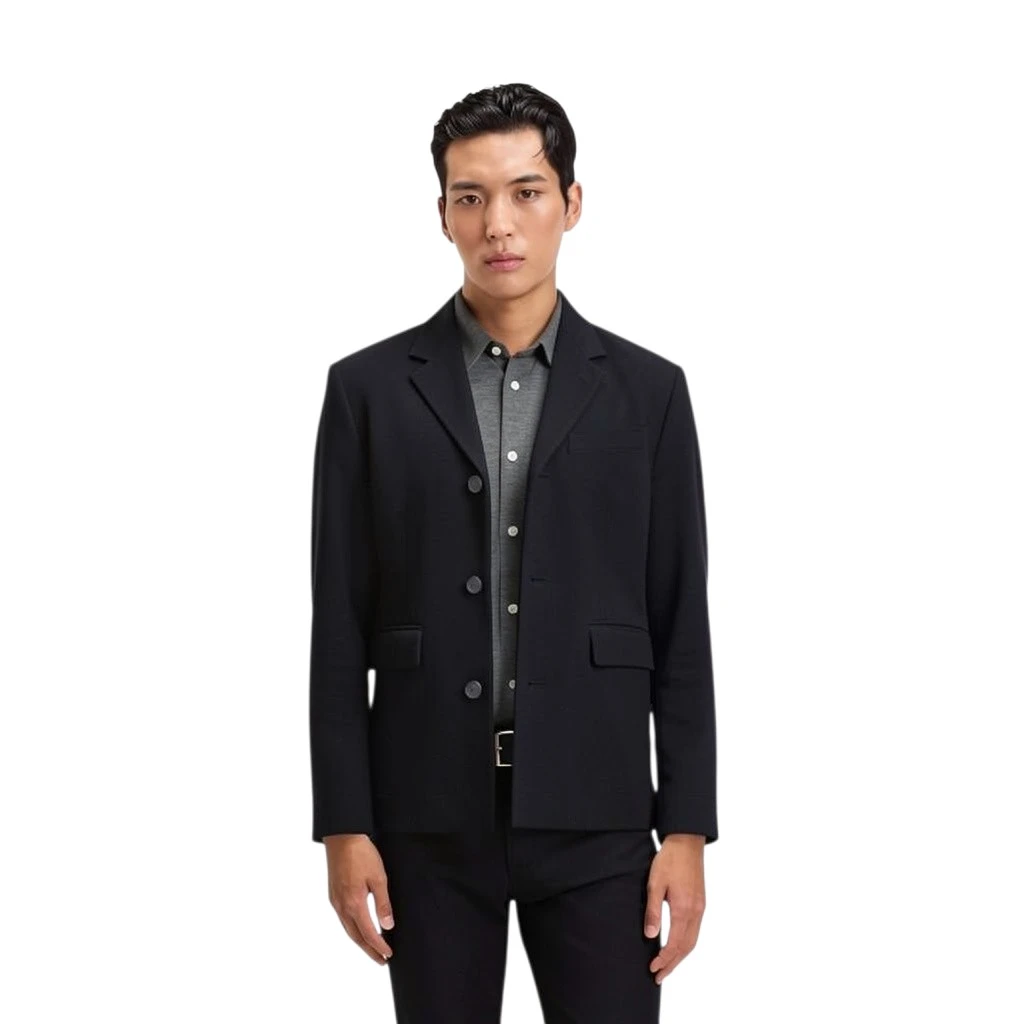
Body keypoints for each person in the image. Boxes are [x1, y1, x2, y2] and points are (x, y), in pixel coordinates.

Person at [309, 82, 718, 1024]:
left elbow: (680, 620)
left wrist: (688, 827)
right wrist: (344, 823)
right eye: (471, 197)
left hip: (599, 812)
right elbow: (338, 622)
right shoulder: (366, 391)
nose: (498, 223)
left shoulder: (650, 394)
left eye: (526, 192)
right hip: (424, 816)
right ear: (443, 214)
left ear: (571, 203)